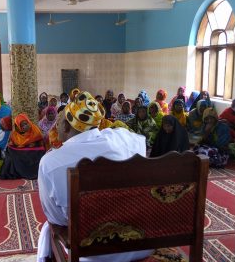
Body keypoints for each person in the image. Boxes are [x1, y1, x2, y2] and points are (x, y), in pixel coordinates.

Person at [37, 91, 152, 262]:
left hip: (93, 252)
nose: (55, 126)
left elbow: (57, 219)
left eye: (58, 123)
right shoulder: (123, 137)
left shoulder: (51, 163)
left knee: (50, 227)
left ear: (67, 126)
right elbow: (142, 147)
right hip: (142, 244)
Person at [0, 113, 45, 180]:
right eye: (22, 125)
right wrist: (19, 146)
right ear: (18, 126)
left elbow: (41, 142)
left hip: (32, 152)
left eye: (26, 123)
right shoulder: (15, 134)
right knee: (10, 152)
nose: (25, 126)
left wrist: (34, 144)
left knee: (40, 152)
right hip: (20, 153)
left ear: (28, 122)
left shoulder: (35, 130)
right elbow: (11, 144)